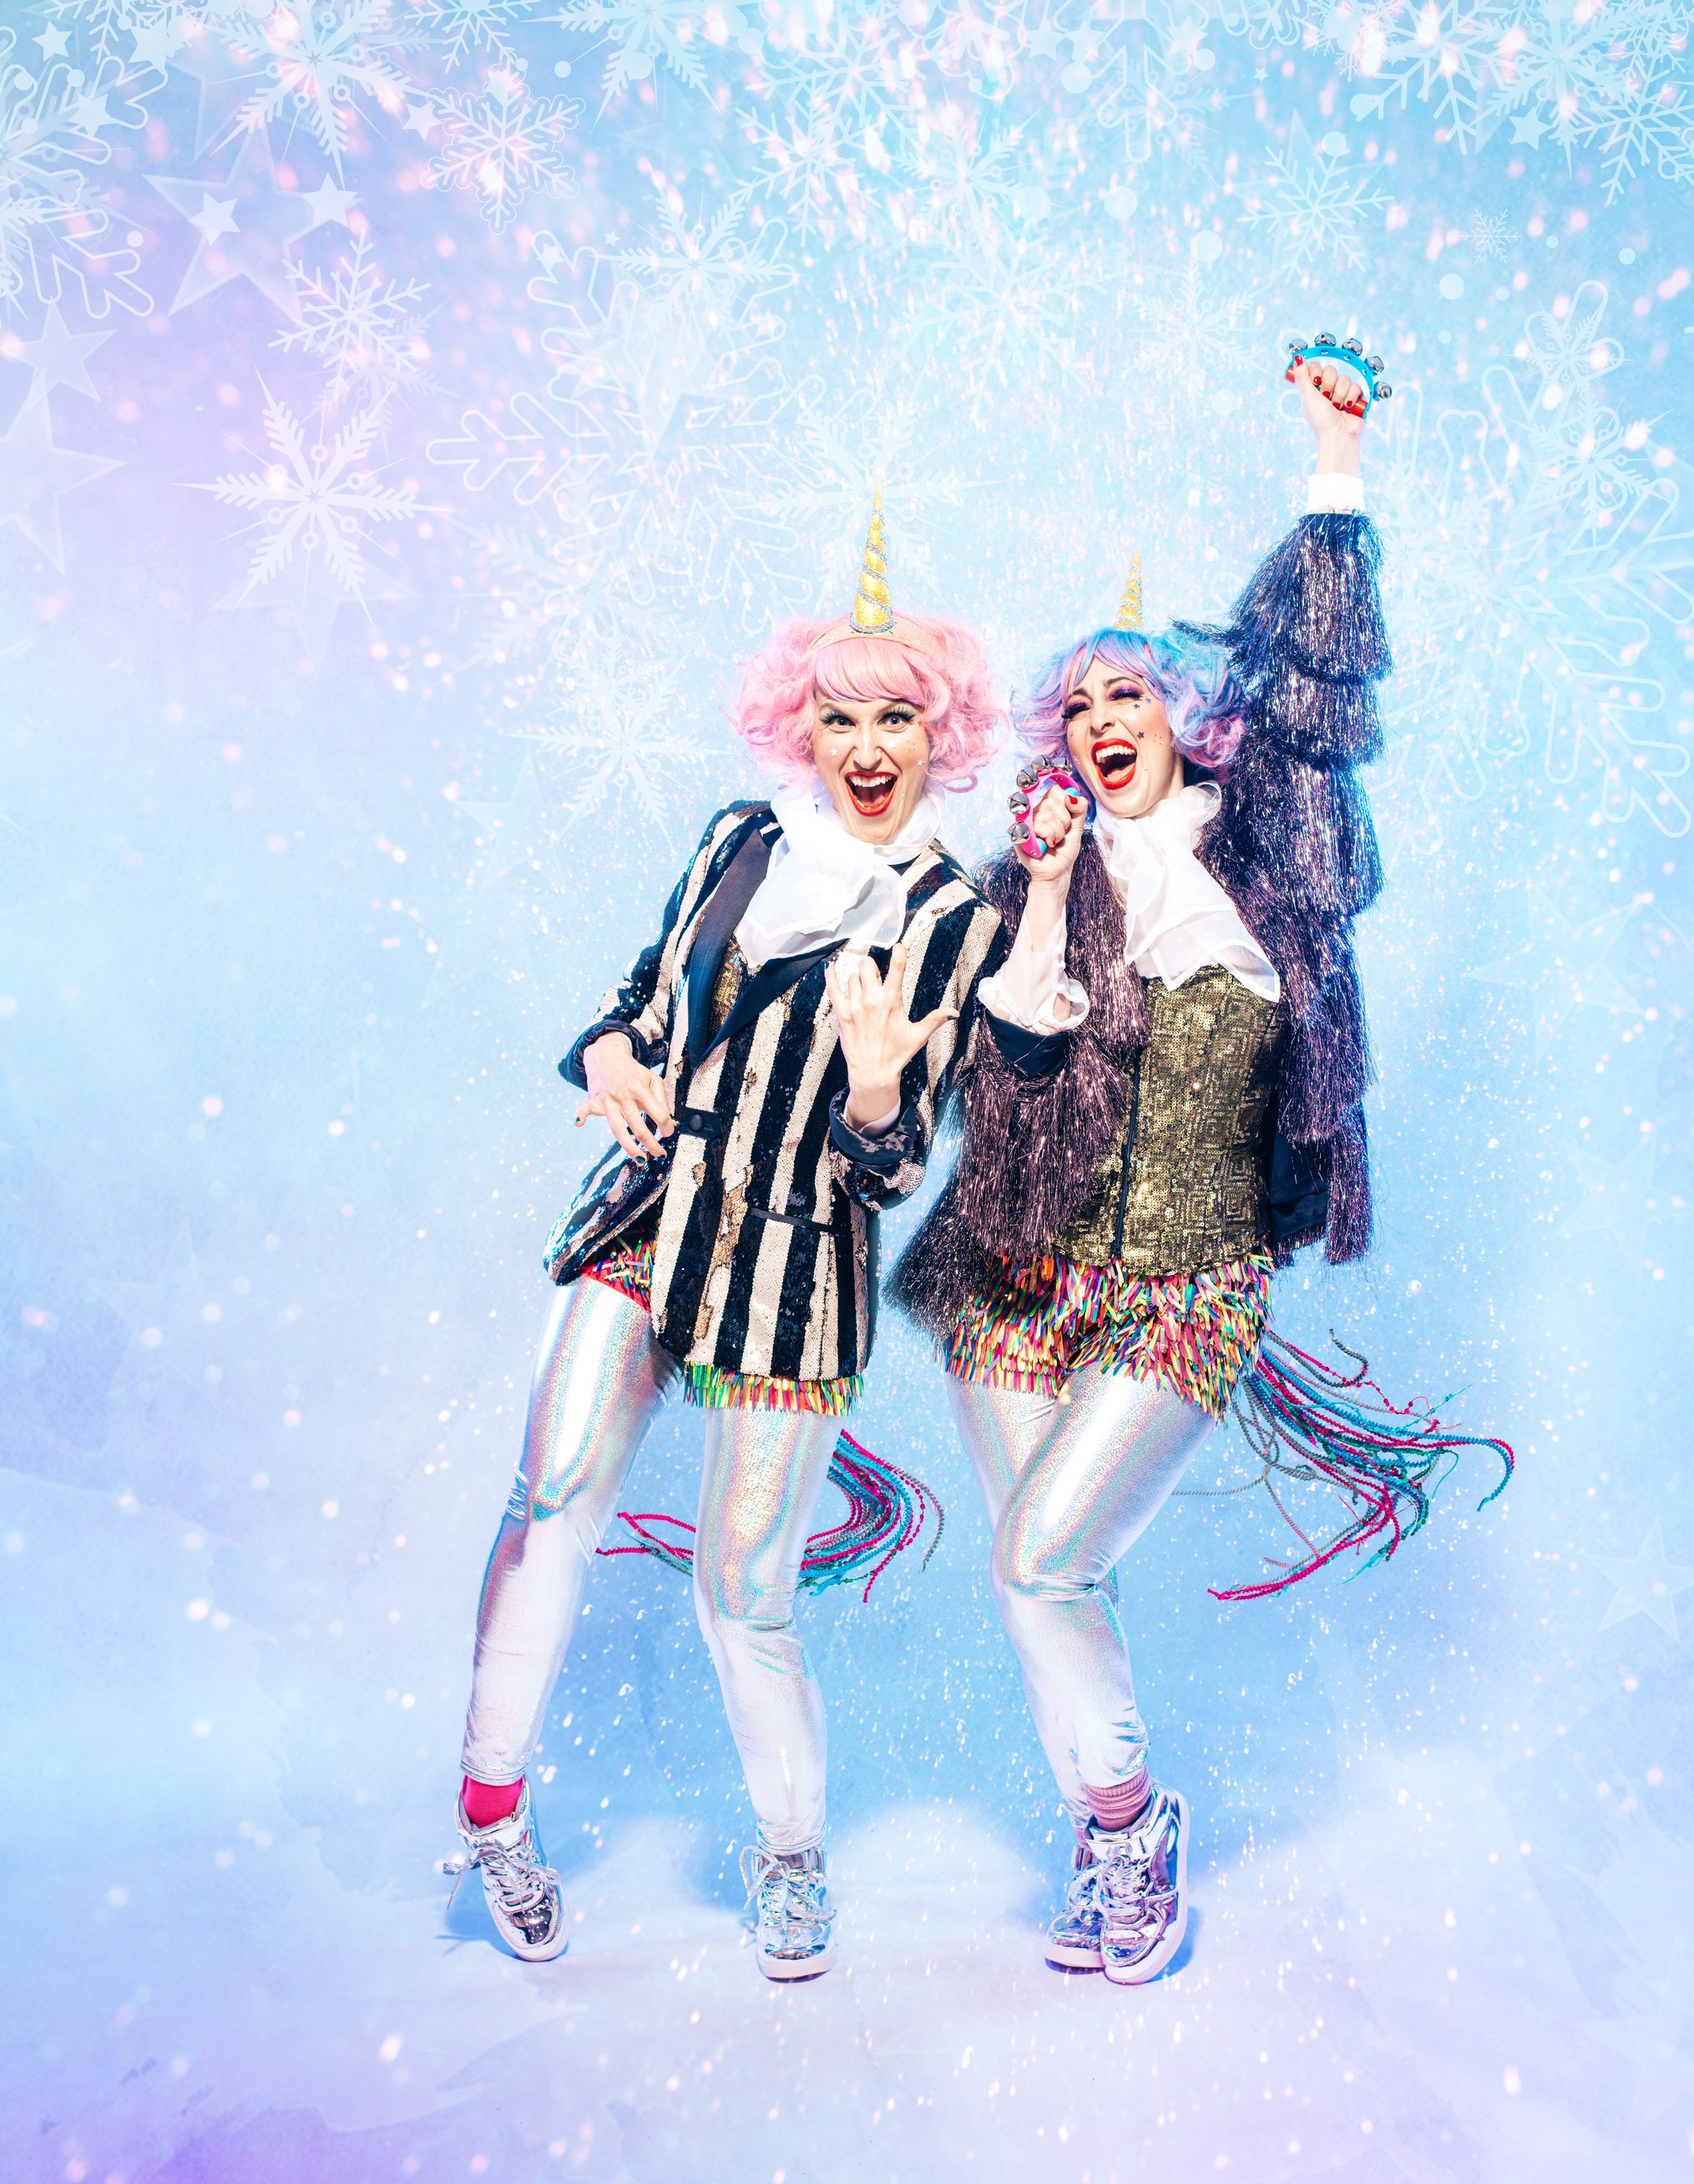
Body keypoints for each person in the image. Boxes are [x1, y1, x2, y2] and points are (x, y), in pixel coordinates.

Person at [446, 498, 1009, 1978]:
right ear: (801, 728)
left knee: (743, 1595)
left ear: (938, 737)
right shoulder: (739, 843)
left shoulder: (956, 918)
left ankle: (792, 1856)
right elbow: (643, 997)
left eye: (898, 718)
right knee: (550, 1493)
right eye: (841, 717)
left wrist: (877, 1090)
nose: (867, 745)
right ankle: (491, 1815)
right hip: (647, 1213)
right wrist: (608, 1051)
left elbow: (896, 1166)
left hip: (793, 1267)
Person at [893, 348, 1391, 1986]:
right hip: (1014, 1271)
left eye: (1130, 697)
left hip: (1188, 1273)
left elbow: (1320, 689)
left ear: (1186, 716)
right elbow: (1004, 1058)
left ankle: (1122, 1835)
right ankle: (1118, 1838)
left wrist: (1333, 469)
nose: (1103, 722)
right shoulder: (1039, 880)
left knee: (1042, 1557)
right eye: (1079, 708)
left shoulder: (1267, 853)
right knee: (1038, 1580)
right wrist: (1039, 888)